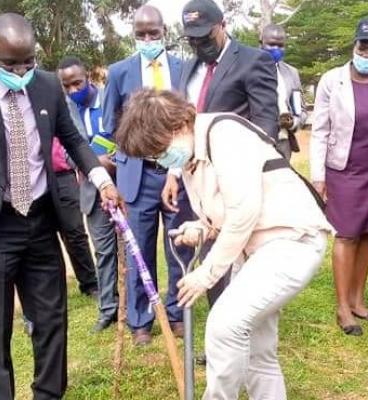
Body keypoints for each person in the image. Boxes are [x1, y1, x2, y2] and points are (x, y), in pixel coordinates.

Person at [0, 13, 122, 399]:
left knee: (52, 321)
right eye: (10, 63)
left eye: (28, 62)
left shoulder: (48, 86)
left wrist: (102, 181)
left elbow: (73, 139)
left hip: (39, 222)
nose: (21, 71)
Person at [114, 89, 332, 400]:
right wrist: (201, 226)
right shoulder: (191, 157)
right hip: (258, 252)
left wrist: (205, 275)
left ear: (180, 124)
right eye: (154, 156)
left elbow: (243, 214)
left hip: (291, 242)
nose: (161, 159)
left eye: (160, 149)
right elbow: (224, 210)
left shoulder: (225, 135)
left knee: (224, 325)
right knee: (259, 352)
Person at [177, 0, 281, 307]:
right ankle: (220, 333)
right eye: (191, 38)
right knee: (212, 256)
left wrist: (253, 172)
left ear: (222, 25)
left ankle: (244, 328)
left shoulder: (253, 61)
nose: (198, 44)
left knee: (242, 255)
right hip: (198, 180)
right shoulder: (188, 67)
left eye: (204, 36)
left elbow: (266, 126)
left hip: (237, 177)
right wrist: (175, 173)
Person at [101, 4, 193, 346]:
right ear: (134, 35)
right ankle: (141, 320)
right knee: (138, 250)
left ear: (164, 33)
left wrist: (180, 166)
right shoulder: (119, 73)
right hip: (134, 178)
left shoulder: (184, 69)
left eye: (153, 33)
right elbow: (108, 128)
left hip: (176, 175)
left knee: (178, 248)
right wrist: (107, 169)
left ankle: (177, 312)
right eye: (141, 34)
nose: (147, 39)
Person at [309, 17, 368, 336]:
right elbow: (320, 131)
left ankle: (358, 300)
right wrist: (318, 176)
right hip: (345, 170)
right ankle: (342, 307)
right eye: (361, 46)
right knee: (347, 234)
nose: (366, 52)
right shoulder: (332, 80)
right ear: (354, 46)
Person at [57, 56, 119, 333]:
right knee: (104, 251)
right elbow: (67, 152)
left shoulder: (111, 99)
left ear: (88, 79)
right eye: (67, 86)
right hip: (93, 192)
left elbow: (127, 136)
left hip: (125, 186)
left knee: (132, 250)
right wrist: (94, 162)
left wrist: (109, 159)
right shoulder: (66, 110)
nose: (73, 90)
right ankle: (108, 309)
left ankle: (138, 309)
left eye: (77, 83)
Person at [259, 24, 308, 160]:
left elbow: (301, 111)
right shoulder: (247, 69)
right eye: (271, 44)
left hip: (283, 143)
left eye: (281, 45)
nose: (276, 49)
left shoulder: (291, 73)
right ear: (261, 44)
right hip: (256, 143)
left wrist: (292, 122)